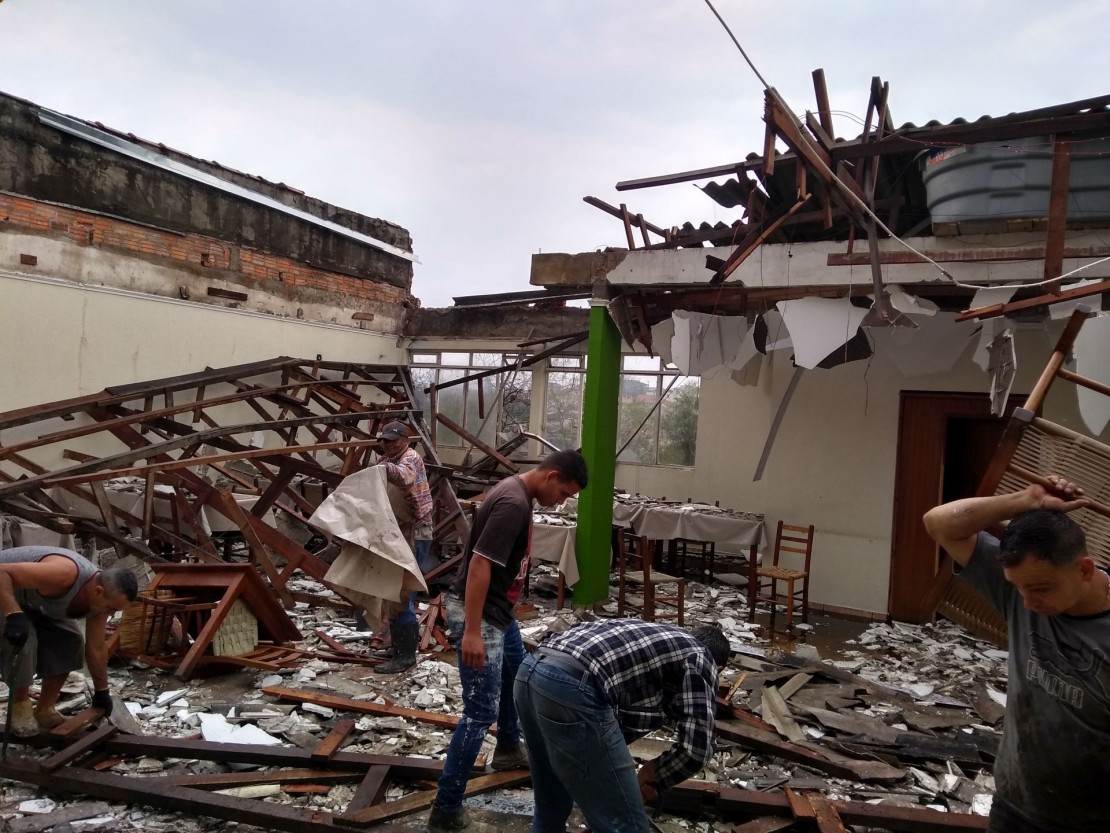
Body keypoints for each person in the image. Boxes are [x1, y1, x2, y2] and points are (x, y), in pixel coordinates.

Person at [923, 475, 1109, 833]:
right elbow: (939, 523)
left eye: (1039, 588)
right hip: (1014, 807)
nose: (1026, 603)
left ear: (1085, 570)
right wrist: (1028, 499)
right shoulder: (1025, 591)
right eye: (1017, 588)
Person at [427, 450, 588, 833]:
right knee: (479, 712)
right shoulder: (514, 504)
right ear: (551, 476)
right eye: (563, 493)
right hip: (480, 616)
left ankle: (509, 747)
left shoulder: (516, 492)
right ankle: (445, 809)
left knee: (519, 675)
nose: (561, 501)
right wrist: (469, 631)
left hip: (498, 612)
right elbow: (481, 565)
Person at [513, 619, 728, 833]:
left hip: (529, 673)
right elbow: (696, 749)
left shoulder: (654, 637)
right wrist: (655, 774)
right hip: (570, 685)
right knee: (627, 826)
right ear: (719, 667)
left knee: (551, 806)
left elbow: (619, 719)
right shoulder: (701, 657)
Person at [0, 546, 138, 735]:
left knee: (70, 640)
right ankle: (20, 710)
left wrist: (102, 691)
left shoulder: (99, 603)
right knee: (23, 643)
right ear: (98, 591)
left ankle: (44, 710)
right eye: (111, 608)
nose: (112, 614)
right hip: (4, 588)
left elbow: (96, 649)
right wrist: (13, 614)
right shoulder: (64, 574)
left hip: (34, 600)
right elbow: (2, 572)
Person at [372, 420, 437, 674]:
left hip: (414, 533)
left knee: (402, 593)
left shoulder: (410, 459)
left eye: (393, 440)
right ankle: (399, 647)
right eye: (384, 440)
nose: (387, 444)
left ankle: (405, 656)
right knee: (393, 593)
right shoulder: (385, 462)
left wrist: (381, 469)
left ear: (405, 440)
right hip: (397, 532)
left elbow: (403, 477)